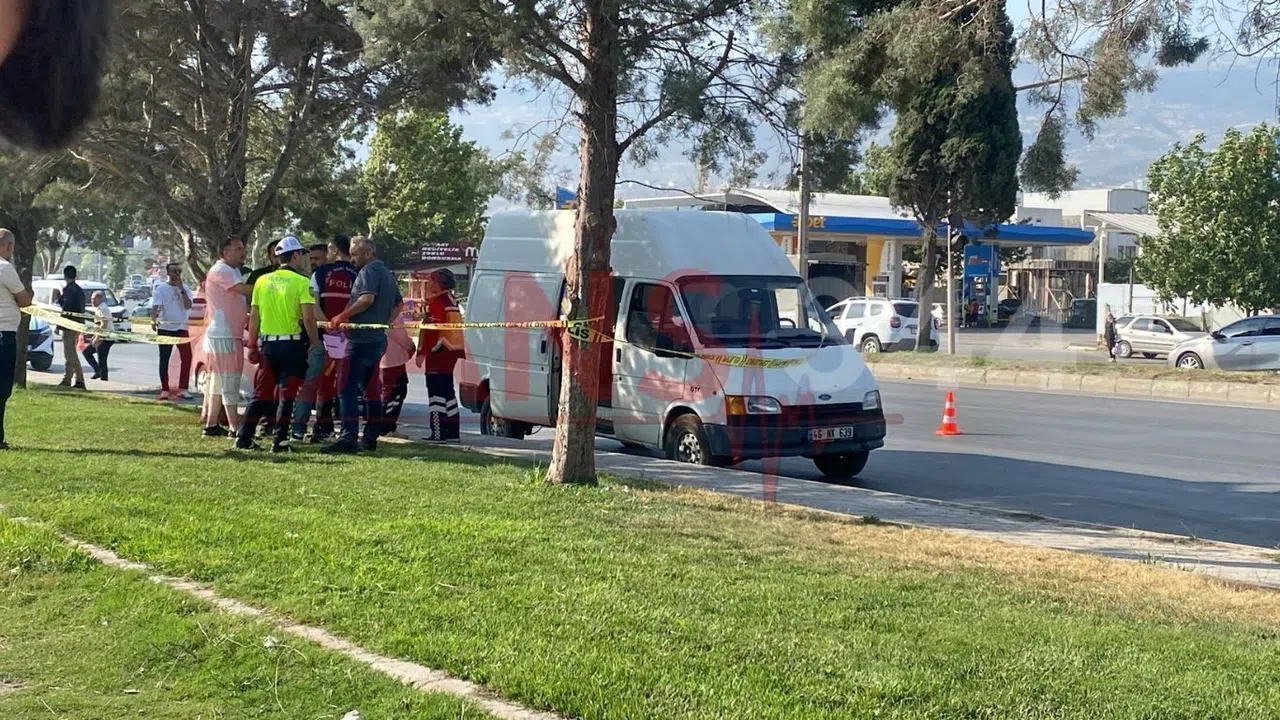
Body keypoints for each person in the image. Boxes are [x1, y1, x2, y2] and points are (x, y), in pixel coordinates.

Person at [236, 236, 319, 453]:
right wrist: (314, 340)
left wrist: (252, 344)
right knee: (287, 394)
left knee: (261, 393)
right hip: (292, 346)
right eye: (301, 254)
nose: (302, 258)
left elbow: (253, 317)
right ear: (294, 256)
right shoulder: (302, 282)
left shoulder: (262, 281)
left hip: (268, 346)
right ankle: (280, 441)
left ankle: (244, 436)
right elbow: (309, 318)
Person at [324, 236, 400, 454]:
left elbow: (366, 299)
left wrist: (342, 315)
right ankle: (370, 436)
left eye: (356, 255)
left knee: (346, 388)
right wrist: (384, 323)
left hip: (359, 340)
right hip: (377, 339)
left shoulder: (368, 272)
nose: (352, 259)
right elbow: (398, 303)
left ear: (368, 253)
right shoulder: (386, 273)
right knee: (371, 389)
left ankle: (348, 438)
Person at [291, 235, 356, 443]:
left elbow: (313, 306)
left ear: (334, 250)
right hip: (349, 336)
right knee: (341, 385)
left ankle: (299, 429)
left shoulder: (320, 273)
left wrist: (329, 328)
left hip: (323, 335)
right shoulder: (359, 273)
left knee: (312, 383)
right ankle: (326, 428)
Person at [201, 236, 252, 438]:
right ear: (226, 252)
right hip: (225, 335)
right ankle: (235, 427)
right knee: (229, 380)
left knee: (218, 382)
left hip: (228, 333)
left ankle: (212, 424)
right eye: (238, 248)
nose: (243, 252)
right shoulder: (222, 270)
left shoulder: (232, 271)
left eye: (243, 248)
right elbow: (243, 290)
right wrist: (269, 285)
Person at [415, 268, 465, 443]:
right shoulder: (451, 300)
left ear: (438, 283)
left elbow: (431, 331)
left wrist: (422, 353)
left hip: (438, 352)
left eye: (431, 280)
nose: (428, 284)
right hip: (450, 352)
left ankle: (438, 433)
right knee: (448, 393)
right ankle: (452, 433)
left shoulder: (438, 303)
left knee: (436, 393)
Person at [245, 240, 283, 436]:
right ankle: (255, 426)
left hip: (290, 340)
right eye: (274, 253)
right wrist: (252, 342)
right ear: (269, 256)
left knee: (284, 387)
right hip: (264, 337)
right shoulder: (259, 277)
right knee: (263, 386)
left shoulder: (299, 278)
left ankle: (277, 427)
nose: (277, 257)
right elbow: (251, 310)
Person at [0, 228, 33, 450]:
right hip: (3, 334)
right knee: (2, 388)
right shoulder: (4, 268)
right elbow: (24, 301)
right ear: (8, 246)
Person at [151, 262, 194, 400]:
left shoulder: (186, 288)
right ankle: (165, 389)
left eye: (178, 271)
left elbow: (188, 306)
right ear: (168, 273)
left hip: (181, 327)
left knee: (187, 357)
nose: (176, 274)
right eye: (174, 271)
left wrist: (181, 288)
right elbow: (155, 306)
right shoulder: (161, 288)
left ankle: (183, 388)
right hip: (166, 328)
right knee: (164, 358)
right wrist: (153, 320)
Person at [380, 309, 415, 436]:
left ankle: (389, 426)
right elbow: (402, 338)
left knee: (387, 393)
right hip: (393, 361)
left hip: (384, 359)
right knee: (394, 394)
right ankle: (385, 427)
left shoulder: (379, 310)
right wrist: (411, 346)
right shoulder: (393, 315)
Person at [55, 265, 86, 389]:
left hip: (69, 325)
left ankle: (79, 380)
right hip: (77, 323)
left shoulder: (69, 290)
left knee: (70, 354)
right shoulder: (78, 290)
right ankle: (67, 379)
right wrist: (59, 298)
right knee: (69, 352)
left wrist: (59, 325)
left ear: (65, 276)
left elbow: (66, 309)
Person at [82, 291, 114, 381]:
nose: (92, 301)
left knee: (102, 360)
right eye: (92, 299)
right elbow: (98, 324)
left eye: (94, 299)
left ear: (100, 299)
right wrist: (94, 336)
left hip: (106, 338)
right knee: (86, 352)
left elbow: (104, 324)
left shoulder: (103, 309)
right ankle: (97, 371)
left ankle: (104, 380)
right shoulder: (99, 309)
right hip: (100, 337)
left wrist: (97, 337)